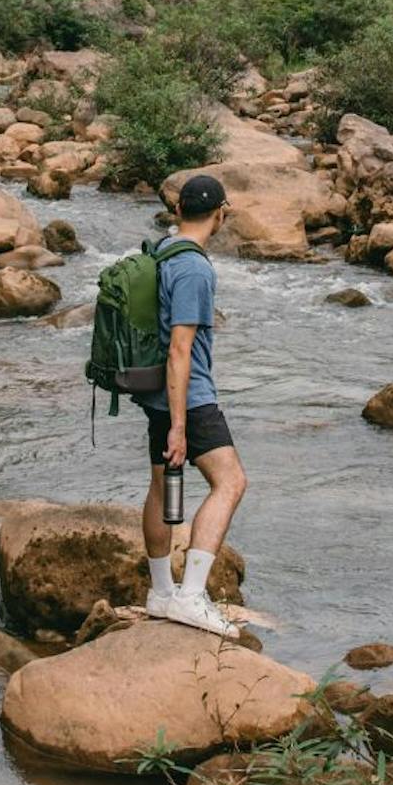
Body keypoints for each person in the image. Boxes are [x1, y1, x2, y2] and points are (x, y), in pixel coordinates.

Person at [142, 172, 246, 638]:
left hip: (156, 393)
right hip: (189, 395)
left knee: (162, 488)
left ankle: (161, 593)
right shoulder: (195, 269)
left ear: (179, 211)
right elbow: (180, 349)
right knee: (230, 482)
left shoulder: (163, 250)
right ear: (220, 214)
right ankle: (190, 596)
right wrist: (180, 426)